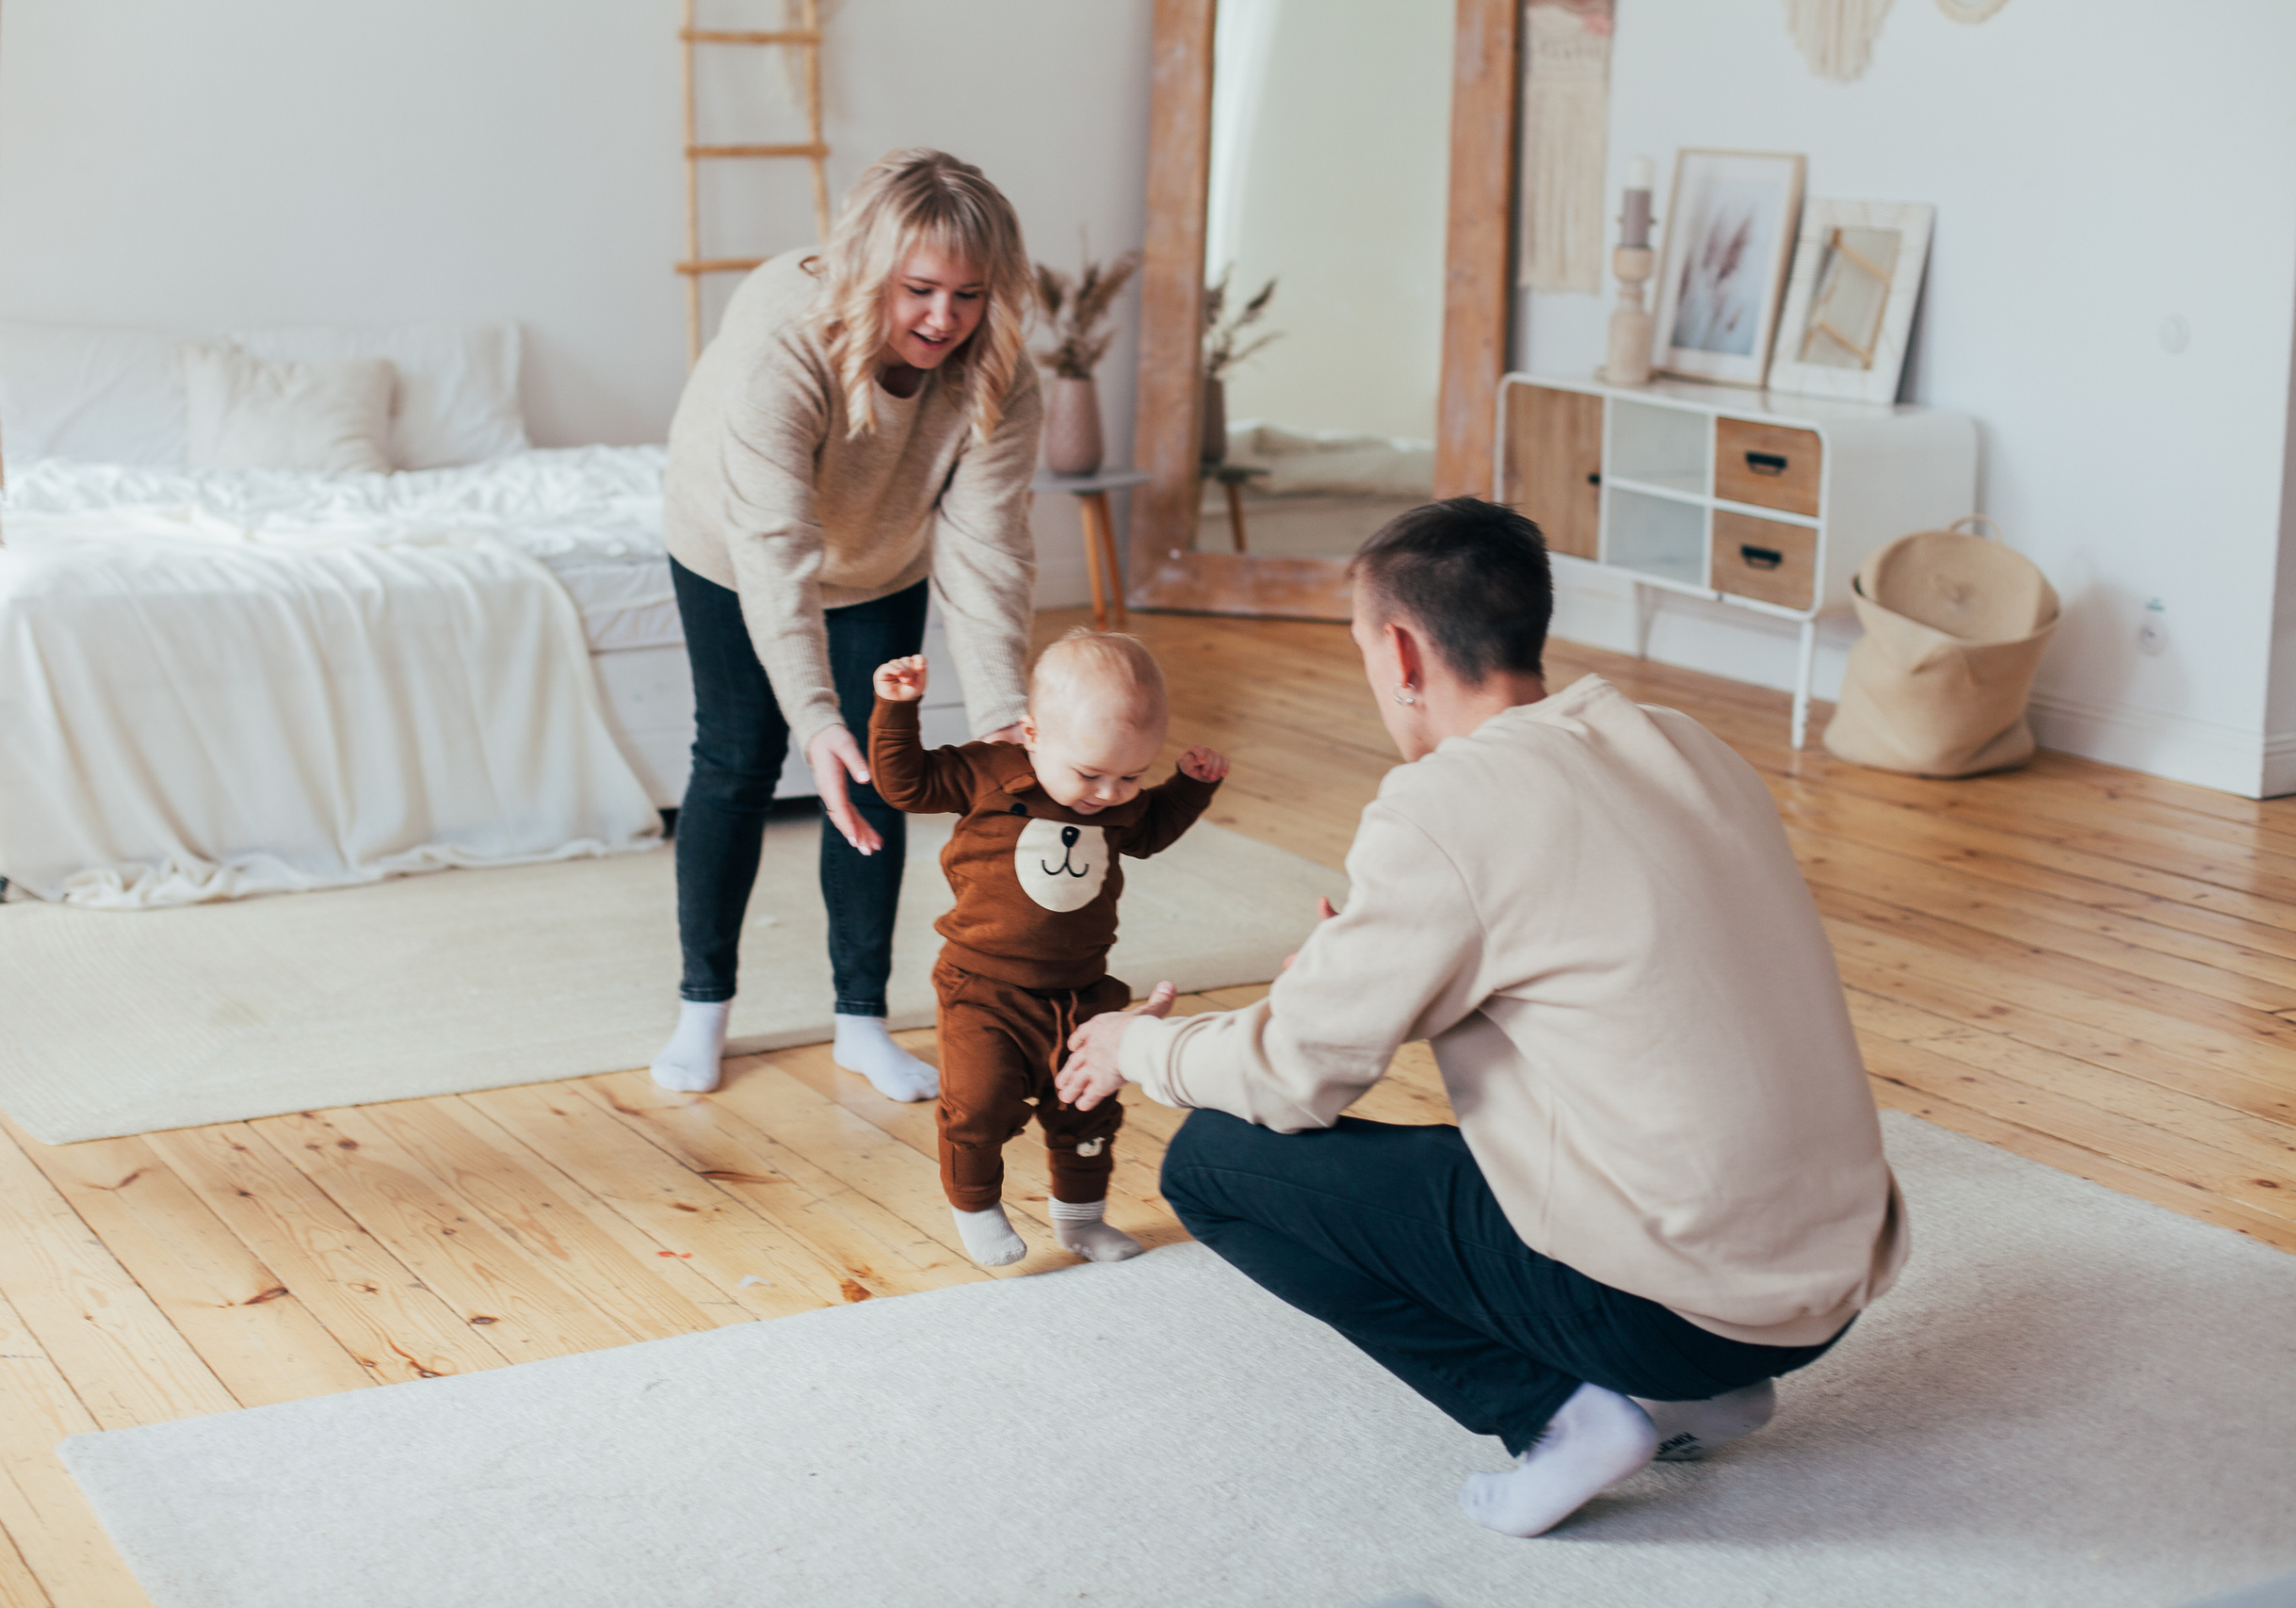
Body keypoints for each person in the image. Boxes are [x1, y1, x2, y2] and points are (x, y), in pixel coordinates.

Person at [1056, 497, 1909, 1539]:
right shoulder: (1683, 742)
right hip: (1827, 1285)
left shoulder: (1447, 804)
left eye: (1363, 650)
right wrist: (1367, 967)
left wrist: (1139, 1043)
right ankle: (1706, 1393)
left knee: (1215, 1164)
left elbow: (1292, 1078)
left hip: (1680, 1306)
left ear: (1400, 651)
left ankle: (1560, 1414)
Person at [653, 149, 1043, 1101]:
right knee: (737, 759)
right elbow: (775, 546)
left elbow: (986, 554)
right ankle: (704, 1006)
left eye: (969, 295)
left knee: (880, 774)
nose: (944, 319)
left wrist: (1004, 722)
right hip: (731, 543)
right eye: (919, 291)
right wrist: (813, 715)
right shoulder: (782, 341)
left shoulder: (998, 373)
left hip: (877, 558)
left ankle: (861, 1022)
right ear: (869, 271)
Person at [869, 631, 1228, 1267]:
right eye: (1090, 774)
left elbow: (1149, 830)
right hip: (983, 987)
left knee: (1087, 1108)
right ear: (1032, 734)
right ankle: (976, 1205)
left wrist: (1187, 788)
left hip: (1084, 989)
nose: (1109, 793)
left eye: (1131, 775)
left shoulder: (1116, 800)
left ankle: (1081, 1221)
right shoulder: (988, 770)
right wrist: (897, 710)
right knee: (979, 1102)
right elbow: (906, 785)